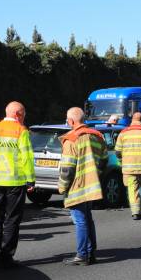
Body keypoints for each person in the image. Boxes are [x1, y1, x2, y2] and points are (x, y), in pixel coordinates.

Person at [0, 101, 34, 268]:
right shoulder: (21, 131)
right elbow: (26, 157)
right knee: (12, 220)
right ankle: (6, 256)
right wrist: (30, 179)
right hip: (15, 182)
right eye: (24, 116)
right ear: (18, 115)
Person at [58, 107, 107, 265]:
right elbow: (104, 159)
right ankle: (91, 252)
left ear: (71, 121)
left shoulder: (71, 138)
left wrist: (62, 187)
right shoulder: (97, 136)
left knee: (80, 221)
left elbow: (67, 169)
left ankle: (82, 254)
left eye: (67, 120)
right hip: (92, 185)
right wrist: (96, 175)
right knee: (88, 219)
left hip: (77, 186)